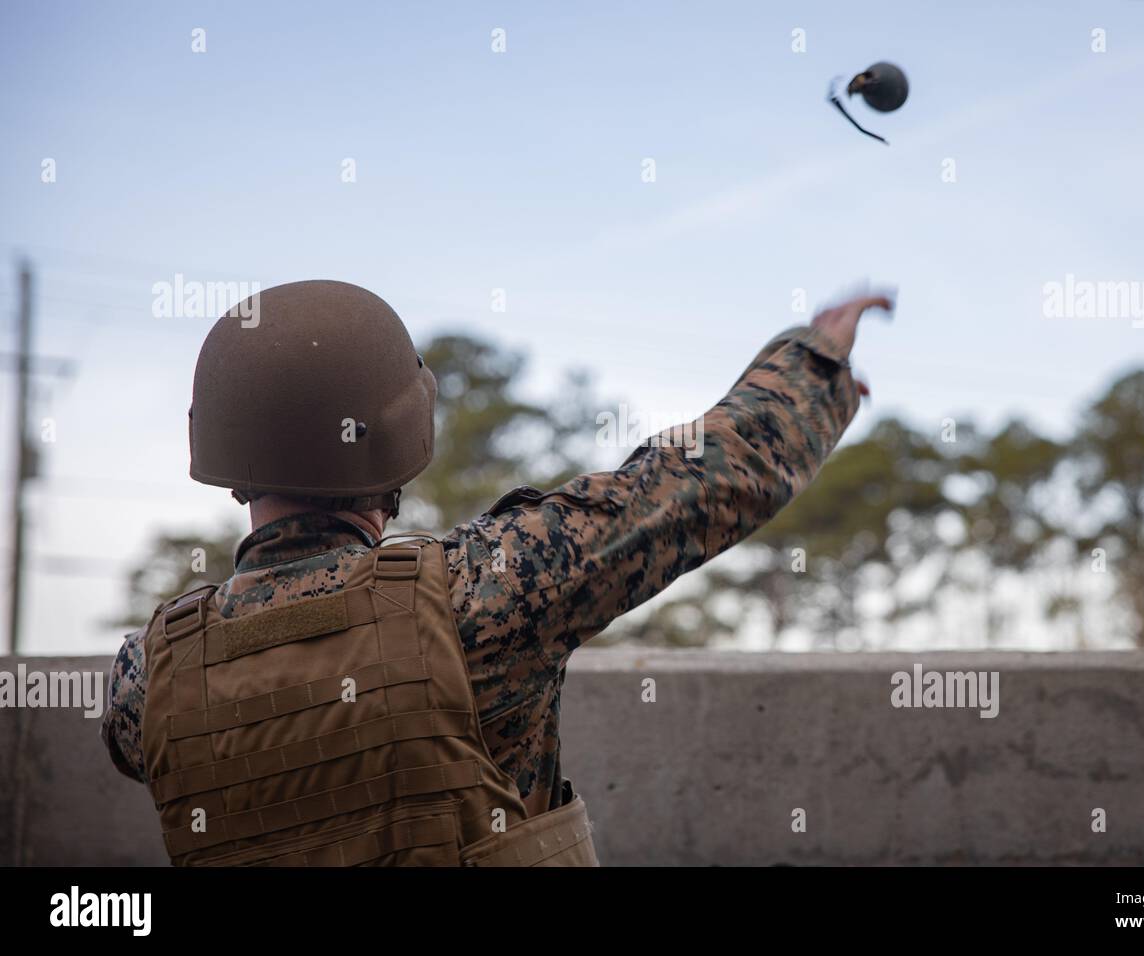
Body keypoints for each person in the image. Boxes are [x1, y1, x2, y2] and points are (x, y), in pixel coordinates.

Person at [101, 278, 892, 866]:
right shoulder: (480, 595)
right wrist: (812, 364)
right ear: (401, 439)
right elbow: (692, 489)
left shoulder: (147, 681)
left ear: (225, 459)